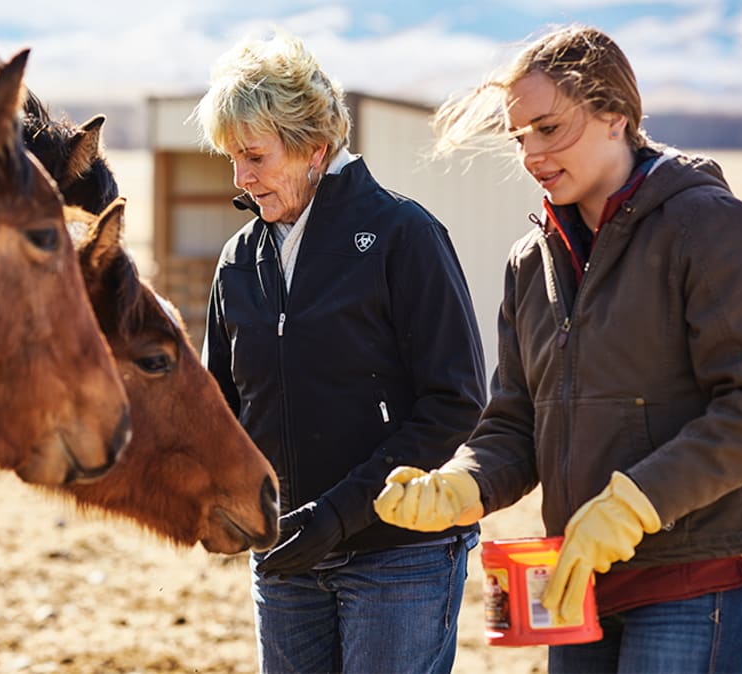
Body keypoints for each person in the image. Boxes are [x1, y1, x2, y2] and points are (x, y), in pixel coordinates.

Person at [373, 24, 742, 674]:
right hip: (574, 580)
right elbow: (517, 422)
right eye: (519, 137)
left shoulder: (712, 227)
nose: (532, 153)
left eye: (549, 128)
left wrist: (635, 504)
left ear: (615, 115)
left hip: (698, 576)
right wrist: (463, 484)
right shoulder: (529, 261)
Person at [195, 31, 488, 674]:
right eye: (231, 159)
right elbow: (218, 406)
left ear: (313, 148)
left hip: (399, 556)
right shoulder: (239, 261)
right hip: (285, 559)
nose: (240, 179)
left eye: (254, 157)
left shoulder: (402, 235)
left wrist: (339, 514)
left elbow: (456, 402)